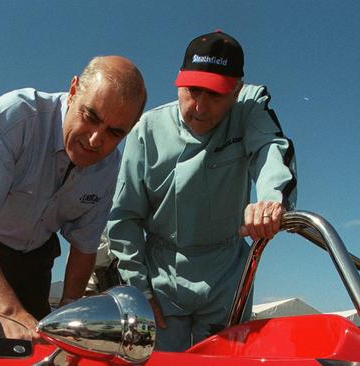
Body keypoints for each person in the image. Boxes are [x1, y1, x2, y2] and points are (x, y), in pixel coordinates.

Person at [0, 55, 147, 341]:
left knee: (41, 346)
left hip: (34, 260)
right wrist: (11, 313)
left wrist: (70, 309)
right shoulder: (13, 118)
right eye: (90, 117)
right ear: (74, 89)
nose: (95, 140)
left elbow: (84, 247)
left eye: (115, 133)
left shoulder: (109, 164)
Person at [108, 31, 297, 352]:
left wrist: (270, 199)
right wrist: (141, 291)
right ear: (179, 81)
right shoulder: (145, 131)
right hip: (161, 278)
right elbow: (125, 217)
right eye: (193, 91)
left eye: (216, 95)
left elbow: (271, 150)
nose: (200, 107)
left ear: (236, 91)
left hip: (226, 277)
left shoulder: (249, 109)